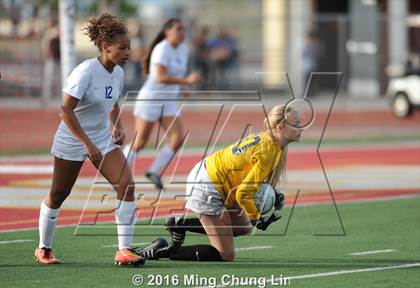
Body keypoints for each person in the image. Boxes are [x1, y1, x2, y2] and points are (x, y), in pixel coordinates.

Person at [34, 14, 145, 267]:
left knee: (126, 184)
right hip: (72, 138)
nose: (128, 52)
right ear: (106, 47)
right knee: (59, 193)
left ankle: (124, 250)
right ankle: (44, 248)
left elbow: (113, 102)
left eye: (129, 47)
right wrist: (87, 143)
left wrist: (116, 125)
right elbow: (65, 110)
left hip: (100, 138)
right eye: (122, 48)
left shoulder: (117, 72)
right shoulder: (85, 72)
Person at [139, 104, 302, 262]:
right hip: (208, 185)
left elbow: (252, 179)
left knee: (242, 227)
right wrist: (256, 218)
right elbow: (243, 193)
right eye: (296, 124)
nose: (301, 128)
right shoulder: (269, 151)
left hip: (211, 175)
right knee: (225, 254)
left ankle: (179, 224)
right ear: (280, 127)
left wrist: (274, 194)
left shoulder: (269, 141)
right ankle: (164, 251)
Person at [123, 18, 201, 190]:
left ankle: (155, 171)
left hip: (168, 100)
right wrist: (186, 80)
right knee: (140, 141)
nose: (182, 32)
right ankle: (118, 172)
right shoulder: (162, 48)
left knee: (177, 138)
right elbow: (160, 76)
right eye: (178, 29)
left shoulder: (183, 49)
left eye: (183, 29)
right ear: (167, 32)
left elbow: (176, 73)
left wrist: (183, 86)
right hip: (151, 99)